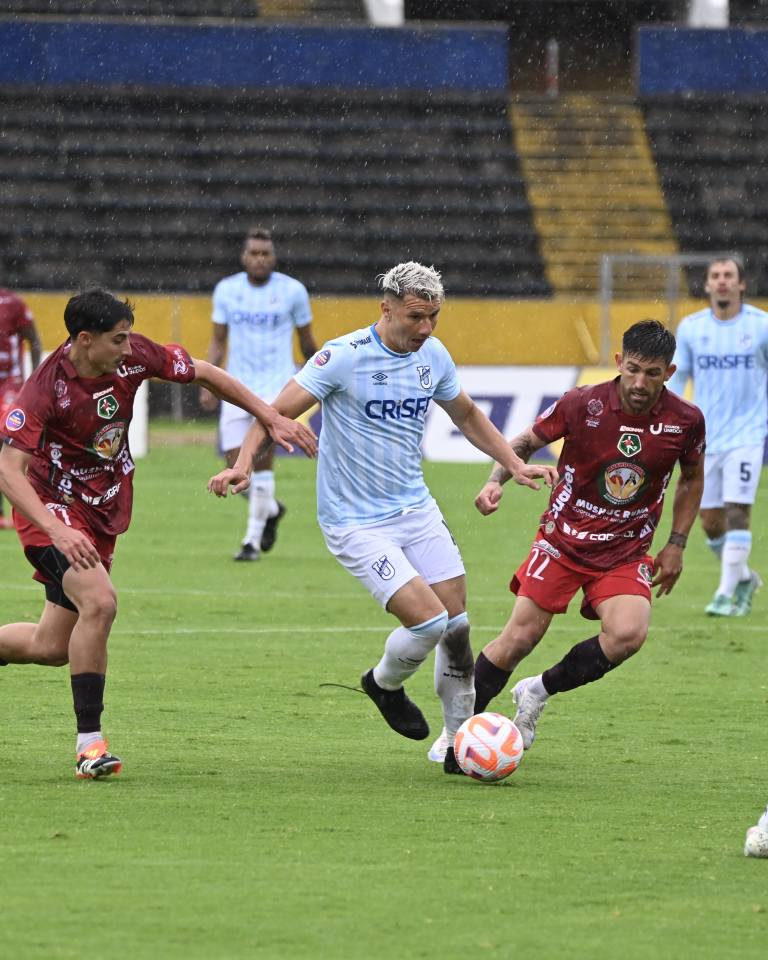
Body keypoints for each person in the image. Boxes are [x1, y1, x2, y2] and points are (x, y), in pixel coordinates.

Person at [208, 262, 557, 775]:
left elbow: (467, 415)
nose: (426, 329)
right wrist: (242, 464)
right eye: (416, 316)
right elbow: (274, 412)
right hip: (354, 521)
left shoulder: (432, 356)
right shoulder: (342, 358)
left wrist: (512, 462)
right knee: (430, 621)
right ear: (386, 308)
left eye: (434, 317)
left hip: (415, 508)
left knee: (457, 626)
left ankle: (457, 742)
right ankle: (383, 684)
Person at [0, 288, 316, 780]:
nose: (129, 349)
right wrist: (54, 531)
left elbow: (207, 373)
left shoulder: (133, 357)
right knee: (100, 603)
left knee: (51, 646)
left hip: (101, 509)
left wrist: (270, 416)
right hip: (51, 511)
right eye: (117, 340)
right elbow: (8, 471)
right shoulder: (45, 388)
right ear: (84, 340)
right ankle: (90, 745)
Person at [428, 320, 705, 760]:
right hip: (563, 542)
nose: (639, 382)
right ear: (619, 362)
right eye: (632, 369)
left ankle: (537, 691)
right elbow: (524, 441)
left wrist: (676, 542)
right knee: (518, 639)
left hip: (626, 550)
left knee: (628, 634)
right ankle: (457, 731)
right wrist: (495, 480)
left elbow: (691, 478)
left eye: (652, 374)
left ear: (669, 373)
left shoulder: (685, 420)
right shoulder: (583, 403)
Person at [200, 226, 317, 562]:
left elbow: (307, 342)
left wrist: (320, 381)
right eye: (254, 253)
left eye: (265, 254)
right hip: (236, 387)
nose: (260, 259)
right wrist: (208, 381)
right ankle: (271, 509)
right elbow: (218, 339)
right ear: (244, 256)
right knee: (234, 463)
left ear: (274, 257)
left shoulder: (293, 291)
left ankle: (250, 543)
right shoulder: (226, 290)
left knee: (261, 464)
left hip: (277, 388)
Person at [667, 257, 768, 617]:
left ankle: (725, 594)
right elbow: (678, 380)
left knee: (738, 511)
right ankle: (743, 578)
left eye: (729, 276)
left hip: (748, 435)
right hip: (706, 438)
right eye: (715, 276)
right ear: (707, 285)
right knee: (710, 521)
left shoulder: (761, 326)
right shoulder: (692, 329)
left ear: (741, 284)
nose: (722, 282)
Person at [0, 287, 42, 528]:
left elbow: (34, 340)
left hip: (10, 383)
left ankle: (30, 506)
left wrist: (36, 380)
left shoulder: (12, 302)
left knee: (10, 440)